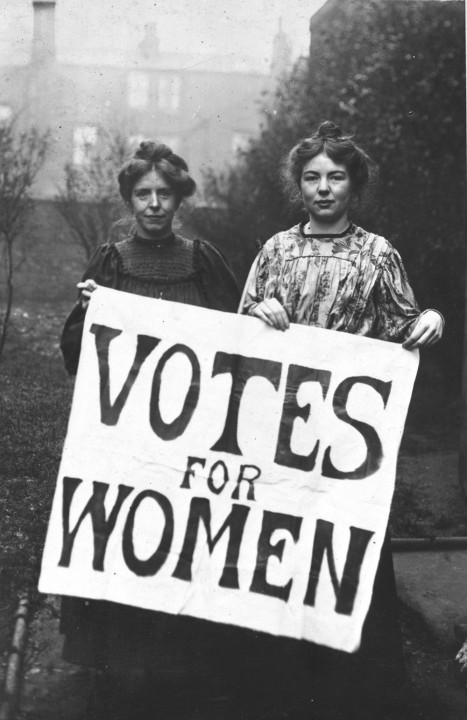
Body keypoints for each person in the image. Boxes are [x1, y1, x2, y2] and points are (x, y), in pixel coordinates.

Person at [238, 121, 444, 719]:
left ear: (354, 183)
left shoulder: (378, 254)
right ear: (297, 184)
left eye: (336, 176)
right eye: (311, 177)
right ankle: (278, 684)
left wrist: (431, 317)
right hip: (281, 429)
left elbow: (405, 327)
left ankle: (358, 688)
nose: (323, 188)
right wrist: (261, 310)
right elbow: (239, 329)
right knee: (279, 546)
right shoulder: (275, 250)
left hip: (350, 434)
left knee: (349, 548)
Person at [60, 141, 241, 720]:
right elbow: (73, 353)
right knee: (124, 540)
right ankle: (119, 671)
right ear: (129, 199)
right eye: (144, 194)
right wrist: (90, 312)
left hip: (192, 437)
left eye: (165, 194)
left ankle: (188, 672)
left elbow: (240, 344)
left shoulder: (204, 260)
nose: (155, 204)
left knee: (186, 544)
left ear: (180, 198)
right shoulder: (109, 262)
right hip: (126, 436)